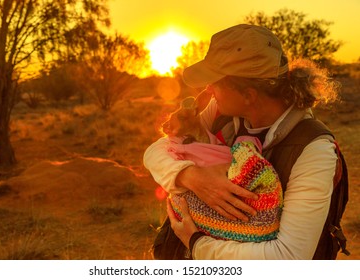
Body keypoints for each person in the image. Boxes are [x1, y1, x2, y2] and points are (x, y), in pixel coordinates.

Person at [143, 24, 339, 259]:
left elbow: (289, 257)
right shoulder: (221, 111)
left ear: (248, 95)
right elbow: (156, 150)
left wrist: (196, 243)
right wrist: (190, 176)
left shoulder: (314, 150)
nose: (208, 89)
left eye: (216, 82)